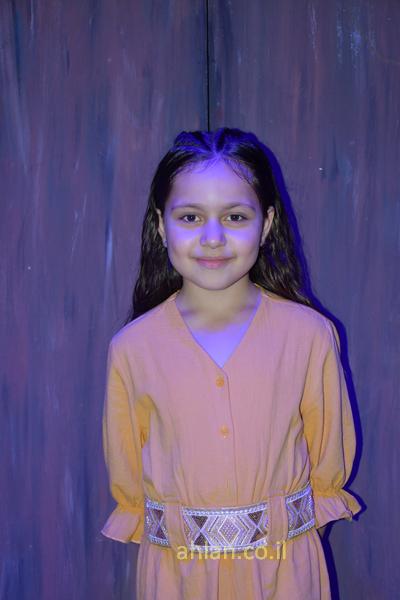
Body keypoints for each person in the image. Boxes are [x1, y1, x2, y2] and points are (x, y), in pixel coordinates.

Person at [101, 128, 362, 599]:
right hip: (178, 579)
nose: (213, 237)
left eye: (235, 216)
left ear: (266, 223)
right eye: (191, 217)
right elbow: (128, 478)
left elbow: (327, 465)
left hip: (286, 575)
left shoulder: (309, 336)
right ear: (161, 225)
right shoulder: (132, 348)